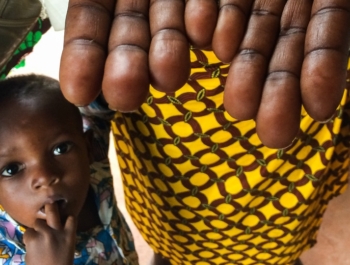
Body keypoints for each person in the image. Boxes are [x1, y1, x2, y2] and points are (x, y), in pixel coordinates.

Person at [59, 0, 350, 148]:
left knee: (294, 119)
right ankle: (166, 245)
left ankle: (282, 249)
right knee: (162, 166)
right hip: (162, 100)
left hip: (293, 58)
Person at [0, 74, 138, 265]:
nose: (45, 177)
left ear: (87, 147)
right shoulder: (5, 249)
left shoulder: (93, 159)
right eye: (11, 169)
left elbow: (100, 102)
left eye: (60, 149)